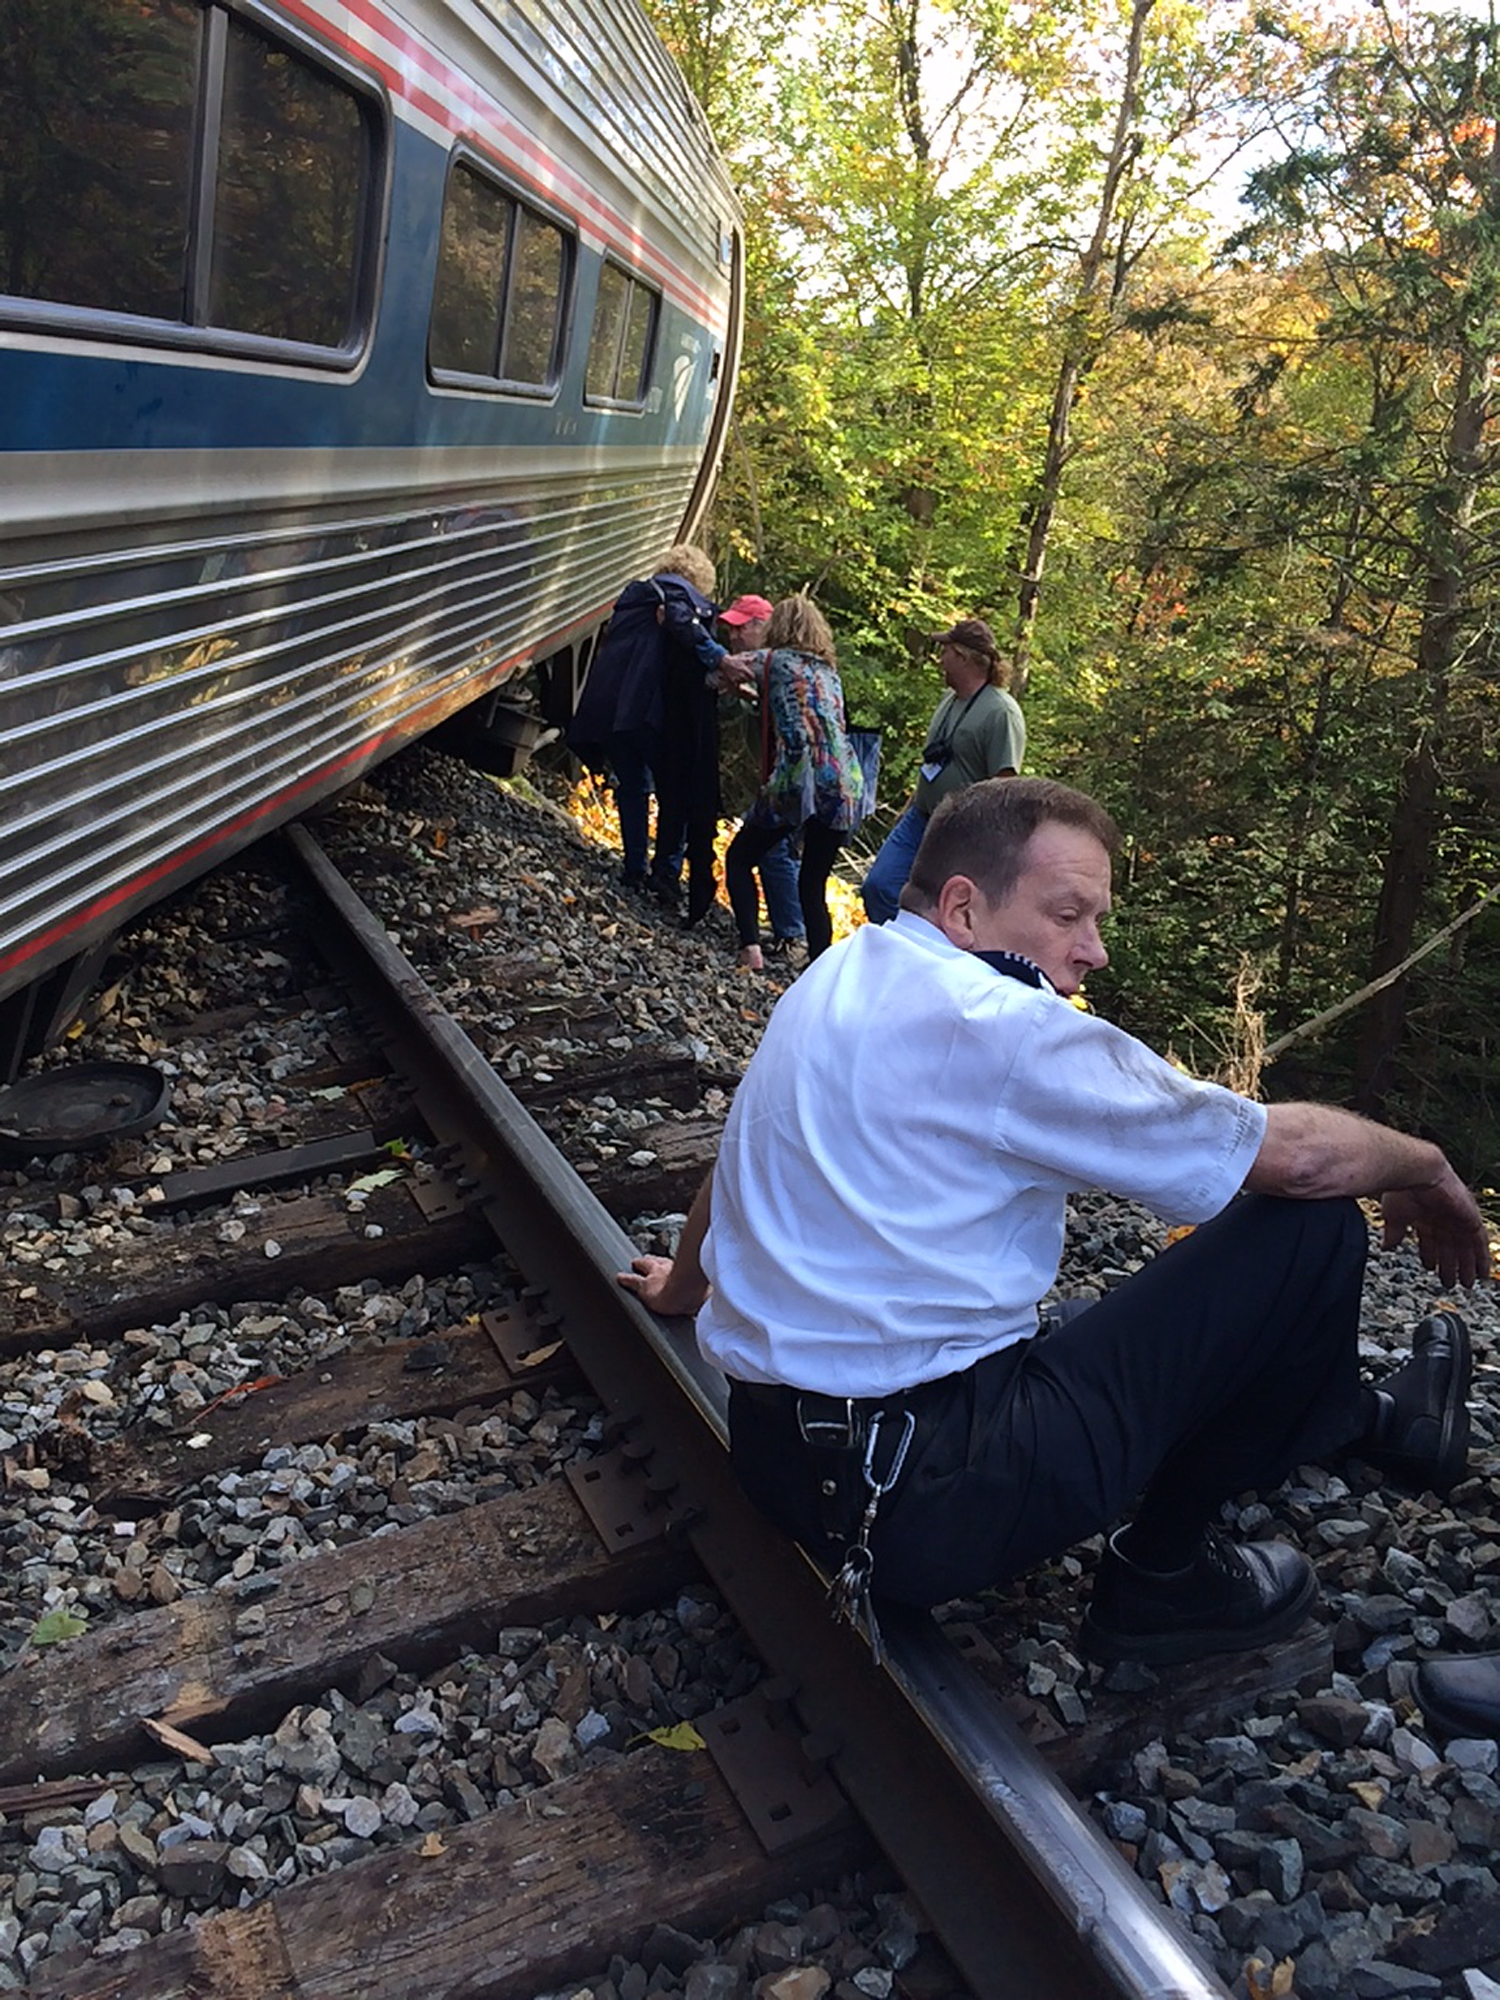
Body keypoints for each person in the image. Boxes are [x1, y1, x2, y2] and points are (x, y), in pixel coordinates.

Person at [619, 777, 1490, 1667]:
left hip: (781, 1460)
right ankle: (1161, 1578)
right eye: (1069, 914)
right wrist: (1422, 1162)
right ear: (963, 908)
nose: (1095, 951)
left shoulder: (844, 970)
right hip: (920, 1502)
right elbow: (1294, 1157)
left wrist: (686, 1288)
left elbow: (744, 1151)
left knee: (1085, 1323)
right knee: (1316, 1232)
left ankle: (1367, 1417)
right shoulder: (1002, 1026)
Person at [566, 545, 722, 898]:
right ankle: (665, 871)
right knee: (675, 792)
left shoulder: (634, 596)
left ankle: (634, 865)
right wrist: (720, 659)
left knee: (633, 786)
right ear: (698, 579)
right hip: (656, 712)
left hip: (615, 711)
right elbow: (684, 625)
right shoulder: (679, 597)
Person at [717, 596, 864, 973]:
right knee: (813, 882)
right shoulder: (830, 673)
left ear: (776, 629)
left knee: (740, 857)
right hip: (844, 781)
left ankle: (750, 948)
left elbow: (727, 670)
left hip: (798, 779)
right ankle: (820, 972)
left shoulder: (773, 661)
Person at [861, 617, 1024, 925]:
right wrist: (911, 804)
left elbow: (1005, 786)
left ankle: (922, 963)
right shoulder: (949, 700)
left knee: (938, 909)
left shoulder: (1001, 712)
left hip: (962, 832)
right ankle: (899, 958)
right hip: (921, 817)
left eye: (945, 651)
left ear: (962, 656)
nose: (940, 659)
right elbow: (934, 763)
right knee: (879, 886)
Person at [719, 594, 805, 960]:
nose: (733, 636)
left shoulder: (772, 662)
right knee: (781, 853)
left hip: (790, 781)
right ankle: (794, 938)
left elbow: (716, 672)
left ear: (762, 626)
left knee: (767, 852)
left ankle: (788, 936)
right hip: (810, 782)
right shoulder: (810, 666)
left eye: (740, 627)